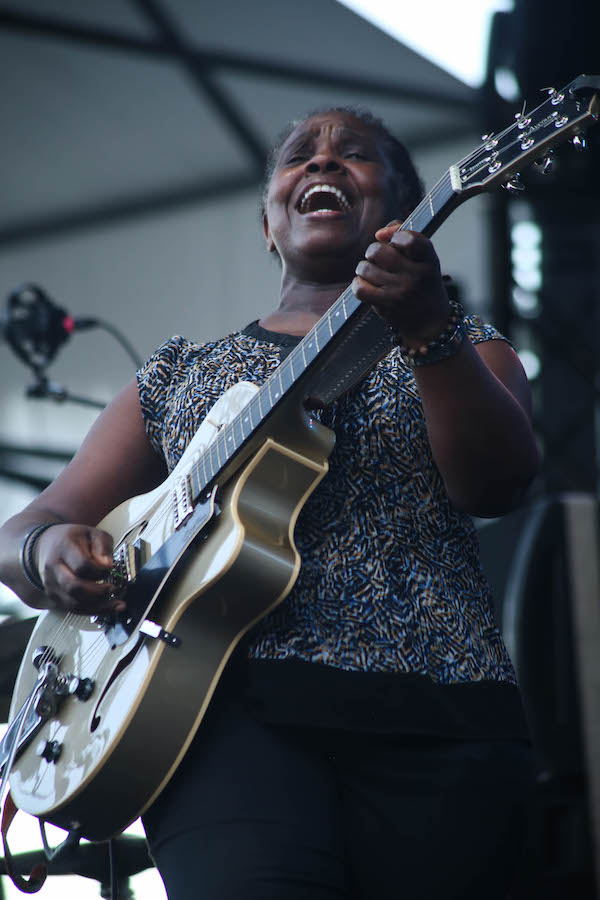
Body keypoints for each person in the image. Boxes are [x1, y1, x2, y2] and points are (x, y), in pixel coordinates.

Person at [0, 107, 540, 899]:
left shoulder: (466, 343)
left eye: (355, 155)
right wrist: (51, 554)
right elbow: (24, 530)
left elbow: (498, 484)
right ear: (267, 224)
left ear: (401, 218)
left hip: (442, 718)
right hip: (216, 720)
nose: (323, 163)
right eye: (300, 157)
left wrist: (429, 331)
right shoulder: (179, 374)